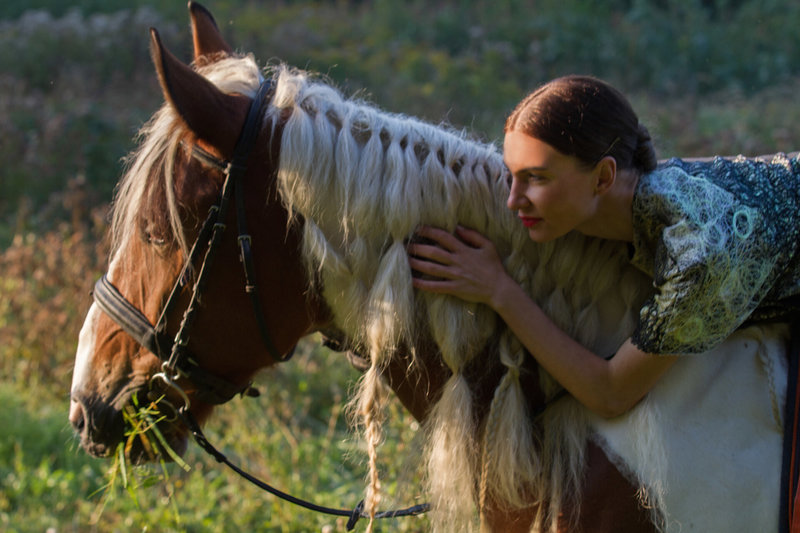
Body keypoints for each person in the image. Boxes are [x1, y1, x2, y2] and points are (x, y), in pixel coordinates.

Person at [407, 74, 800, 419]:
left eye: (537, 178)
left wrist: (499, 289)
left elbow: (612, 394)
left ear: (603, 177)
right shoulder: (652, 195)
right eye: (513, 177)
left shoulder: (700, 254)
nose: (513, 200)